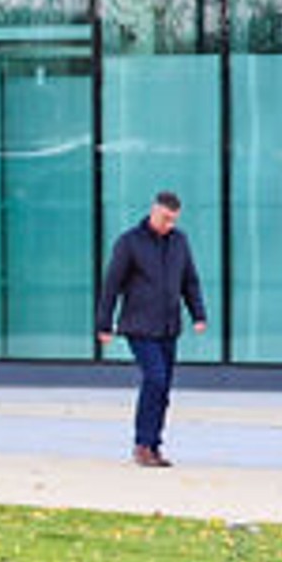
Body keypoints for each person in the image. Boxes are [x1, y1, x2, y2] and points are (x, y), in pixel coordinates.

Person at [94, 190, 208, 467]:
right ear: (154, 211)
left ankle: (154, 445)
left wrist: (198, 314)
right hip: (139, 326)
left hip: (169, 327)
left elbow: (189, 281)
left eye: (174, 220)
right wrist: (104, 324)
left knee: (163, 388)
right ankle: (143, 444)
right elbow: (111, 285)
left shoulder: (179, 242)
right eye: (166, 219)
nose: (170, 225)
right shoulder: (129, 243)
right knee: (155, 379)